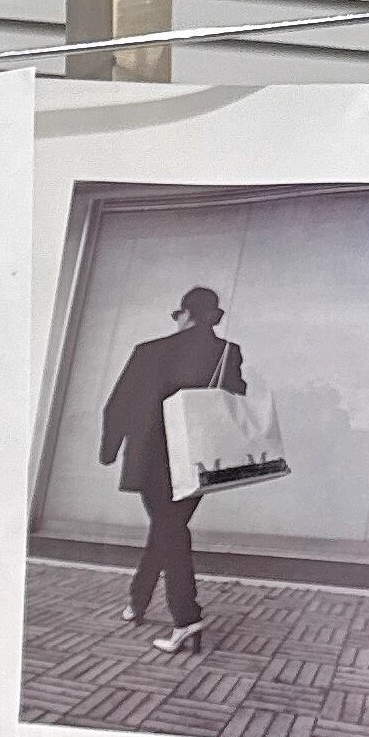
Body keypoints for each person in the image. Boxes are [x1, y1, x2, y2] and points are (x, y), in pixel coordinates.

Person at [98, 281, 244, 655]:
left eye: (177, 314)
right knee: (168, 526)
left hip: (152, 458)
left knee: (169, 529)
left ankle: (186, 617)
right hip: (198, 459)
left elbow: (118, 405)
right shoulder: (227, 353)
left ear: (186, 314)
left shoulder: (149, 351)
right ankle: (138, 600)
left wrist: (109, 451)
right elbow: (235, 400)